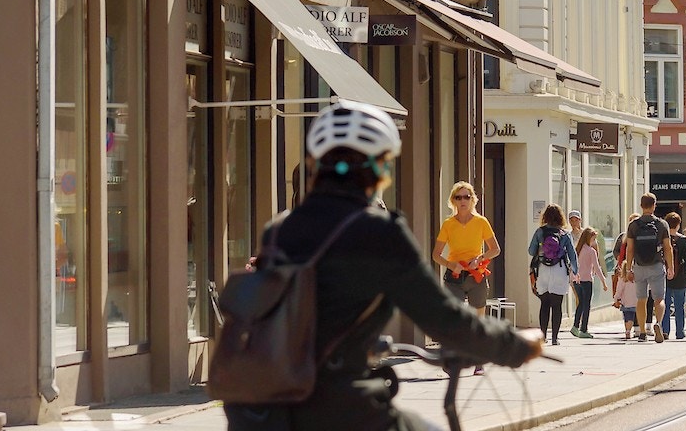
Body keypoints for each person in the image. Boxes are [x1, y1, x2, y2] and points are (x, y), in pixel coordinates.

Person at [223, 99, 542, 431]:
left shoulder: (280, 230)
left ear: (314, 164)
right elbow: (442, 317)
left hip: (259, 410)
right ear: (380, 168)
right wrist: (515, 344)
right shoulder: (380, 232)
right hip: (339, 408)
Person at [432, 181, 501, 315]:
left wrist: (479, 259)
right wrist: (450, 265)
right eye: (458, 197)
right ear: (453, 201)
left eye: (466, 197)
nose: (462, 201)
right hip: (454, 276)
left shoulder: (481, 222)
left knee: (478, 319)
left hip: (475, 275)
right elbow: (436, 254)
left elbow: (495, 249)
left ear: (472, 200)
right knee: (454, 317)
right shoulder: (448, 224)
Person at [624, 193, 673, 343]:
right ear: (654, 206)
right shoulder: (661, 224)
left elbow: (630, 249)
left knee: (641, 299)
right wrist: (670, 267)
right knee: (659, 298)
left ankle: (642, 332)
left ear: (641, 206)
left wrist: (628, 269)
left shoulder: (633, 225)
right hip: (657, 264)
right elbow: (668, 247)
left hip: (639, 266)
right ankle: (658, 323)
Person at [528, 203, 579, 345]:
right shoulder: (565, 234)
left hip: (543, 270)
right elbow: (572, 255)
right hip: (560, 270)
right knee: (557, 306)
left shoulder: (540, 232)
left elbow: (531, 251)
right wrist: (576, 271)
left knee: (544, 304)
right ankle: (555, 338)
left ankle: (543, 336)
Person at [661, 213, 686, 340]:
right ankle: (680, 332)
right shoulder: (683, 240)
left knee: (665, 305)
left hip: (665, 277)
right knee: (680, 306)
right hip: (680, 277)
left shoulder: (663, 239)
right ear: (678, 225)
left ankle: (665, 330)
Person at [571, 226, 607, 338]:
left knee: (580, 303)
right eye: (593, 239)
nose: (594, 241)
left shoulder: (577, 250)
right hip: (586, 280)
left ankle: (575, 326)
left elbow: (572, 265)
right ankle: (583, 329)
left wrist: (571, 279)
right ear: (589, 238)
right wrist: (603, 282)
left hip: (576, 280)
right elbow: (597, 267)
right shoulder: (591, 251)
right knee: (586, 305)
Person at [613, 262, 639, 340]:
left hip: (625, 302)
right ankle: (632, 330)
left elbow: (618, 291)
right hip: (635, 302)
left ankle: (627, 330)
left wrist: (616, 299)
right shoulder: (637, 280)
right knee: (632, 317)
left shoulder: (622, 280)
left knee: (627, 317)